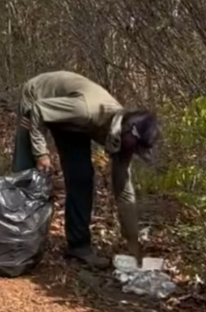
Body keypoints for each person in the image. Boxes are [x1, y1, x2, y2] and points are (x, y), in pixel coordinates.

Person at [12, 71, 160, 269]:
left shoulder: (124, 141)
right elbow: (40, 109)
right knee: (26, 171)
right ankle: (13, 238)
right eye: (134, 148)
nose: (131, 153)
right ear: (125, 133)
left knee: (82, 179)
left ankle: (78, 247)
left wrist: (134, 245)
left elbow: (124, 191)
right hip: (40, 98)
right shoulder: (87, 110)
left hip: (74, 123)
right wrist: (41, 153)